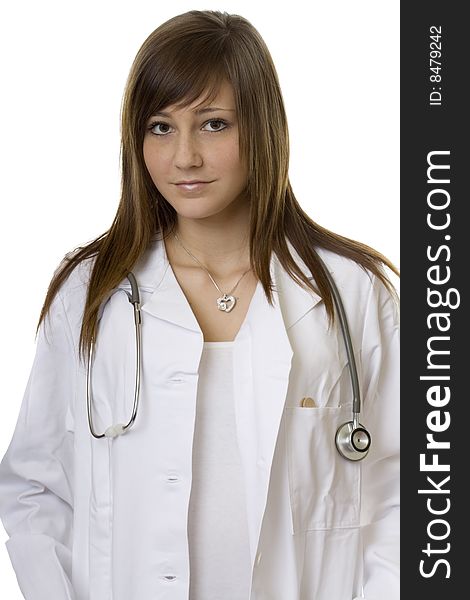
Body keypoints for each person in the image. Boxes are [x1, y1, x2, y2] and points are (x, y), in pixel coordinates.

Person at [0, 9, 399, 600]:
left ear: (262, 129)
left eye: (213, 124)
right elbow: (35, 489)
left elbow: (410, 490)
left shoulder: (351, 293)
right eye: (160, 127)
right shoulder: (93, 292)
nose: (183, 157)